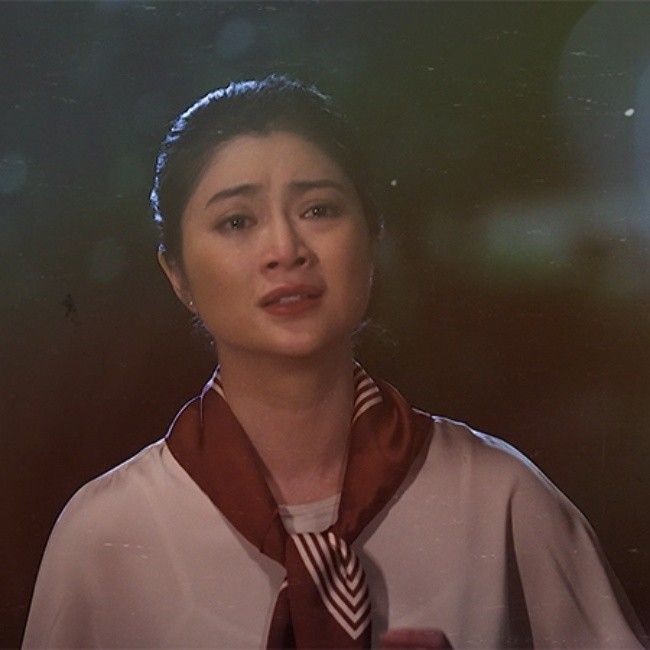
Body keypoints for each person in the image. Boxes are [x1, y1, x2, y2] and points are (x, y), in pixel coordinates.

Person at [23, 75, 646, 649]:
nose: (285, 249)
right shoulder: (105, 537)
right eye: (236, 221)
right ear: (177, 274)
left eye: (318, 209)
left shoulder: (499, 498)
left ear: (372, 239)